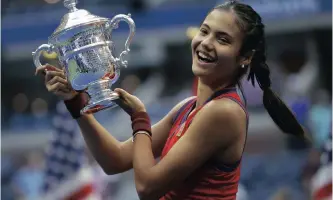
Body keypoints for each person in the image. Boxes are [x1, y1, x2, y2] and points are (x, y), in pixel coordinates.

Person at [36, 1, 307, 199]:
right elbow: (115, 161)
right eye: (205, 31)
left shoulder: (223, 112)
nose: (206, 43)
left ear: (244, 57)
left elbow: (147, 187)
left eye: (222, 39)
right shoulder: (187, 108)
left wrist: (139, 119)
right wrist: (76, 103)